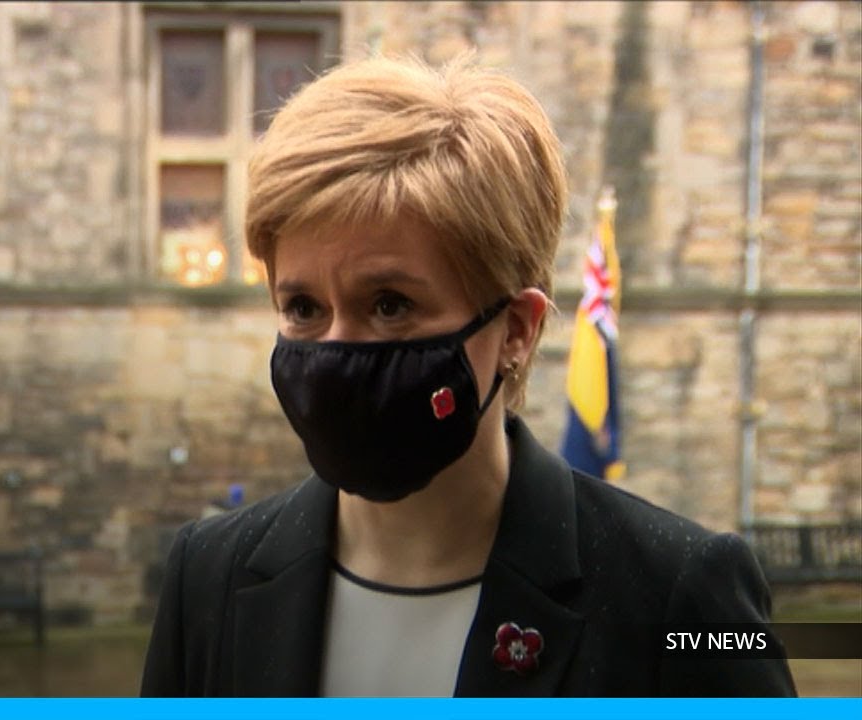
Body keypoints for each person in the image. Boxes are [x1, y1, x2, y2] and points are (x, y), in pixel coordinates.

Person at [140, 53, 795, 697]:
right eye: (303, 307)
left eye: (390, 305)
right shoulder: (210, 579)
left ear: (515, 329)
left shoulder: (678, 592)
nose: (337, 350)